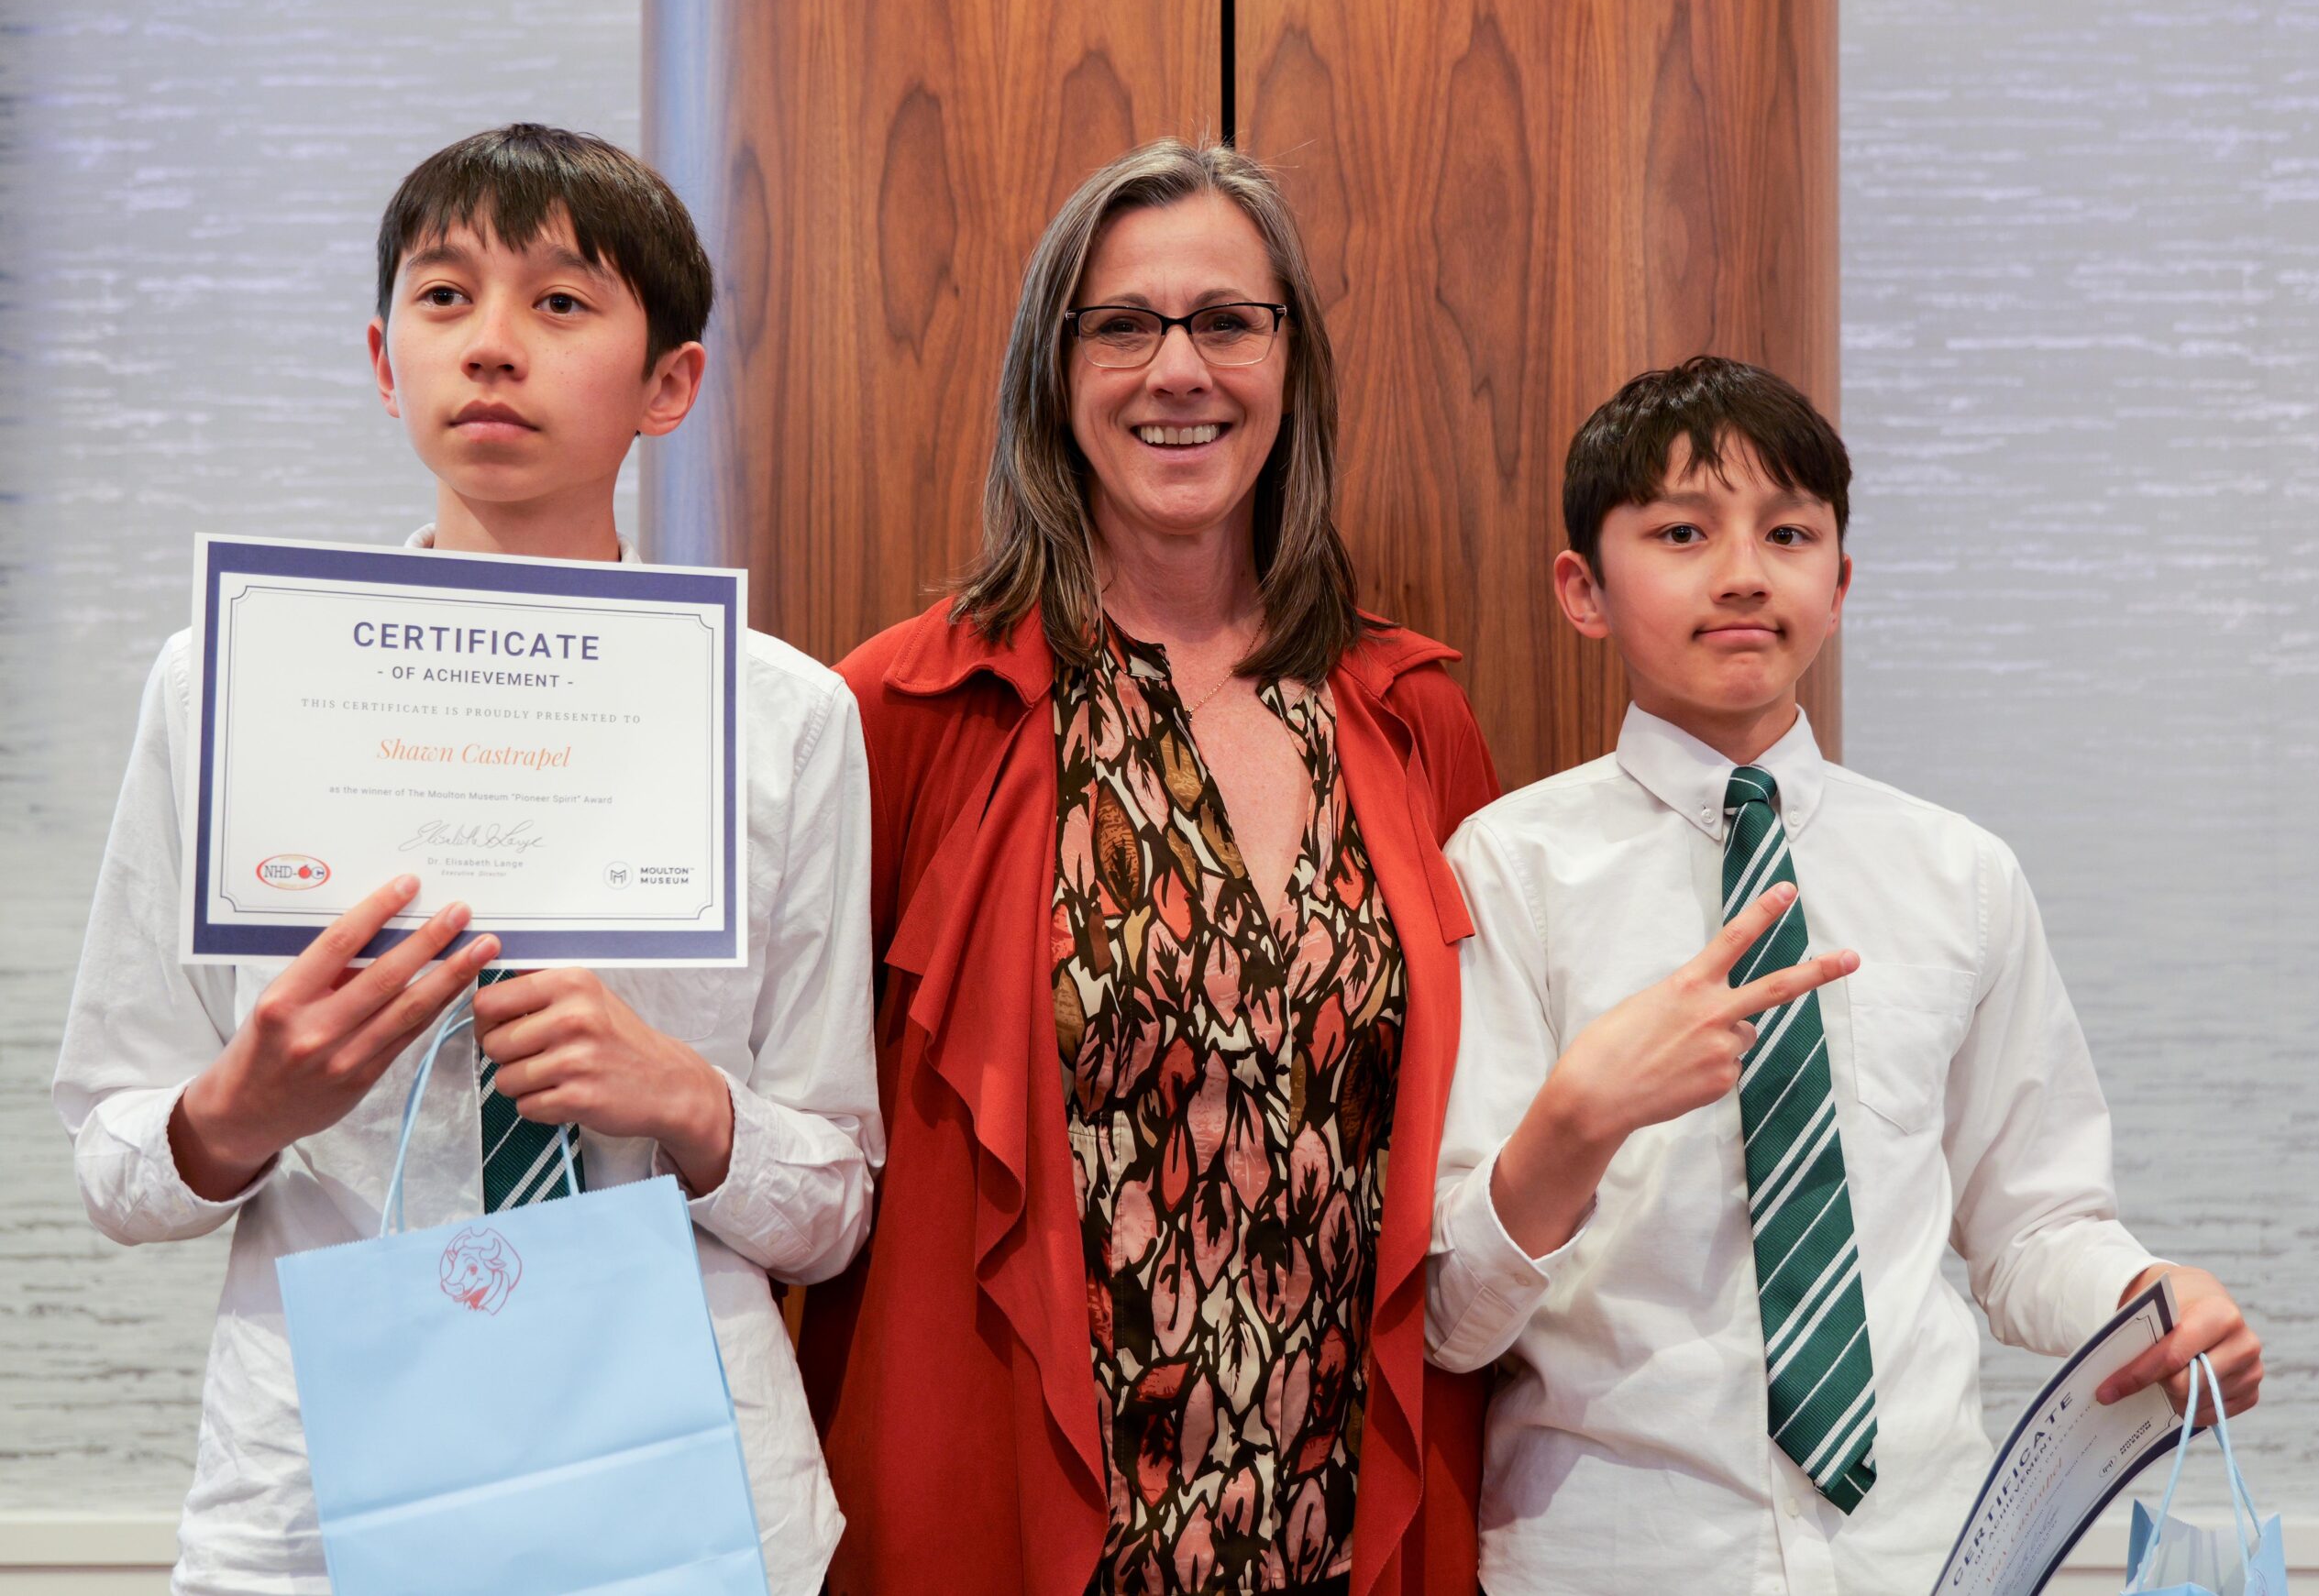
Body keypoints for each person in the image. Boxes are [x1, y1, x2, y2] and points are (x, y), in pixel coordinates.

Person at [52, 123, 882, 1596]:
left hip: (681, 1482)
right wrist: (240, 1106)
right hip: (313, 1504)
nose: (492, 346)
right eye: (446, 299)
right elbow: (115, 1164)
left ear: (670, 381)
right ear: (385, 362)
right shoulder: (232, 684)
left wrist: (687, 1103)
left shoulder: (784, 719)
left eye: (561, 303)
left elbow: (832, 1203)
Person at [1424, 356, 2264, 1594]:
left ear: (1840, 581)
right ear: (1582, 588)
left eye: (1789, 532)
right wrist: (1578, 1116)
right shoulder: (1509, 867)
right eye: (1682, 531)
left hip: (1928, 1557)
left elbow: (2032, 1223)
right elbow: (1448, 1315)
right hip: (1614, 1558)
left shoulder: (1959, 871)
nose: (1746, 570)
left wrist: (2148, 1295)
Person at [798, 138, 1497, 1596]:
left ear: (1290, 360)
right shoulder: (906, 712)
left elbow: (1479, 1153)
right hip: (1016, 1515)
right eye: (1122, 325)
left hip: (1332, 1520)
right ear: (1053, 374)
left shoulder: (1411, 714)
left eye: (1226, 321)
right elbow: (805, 1147)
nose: (1178, 367)